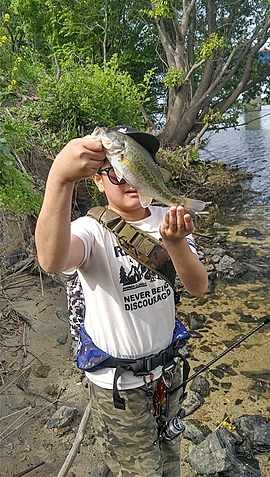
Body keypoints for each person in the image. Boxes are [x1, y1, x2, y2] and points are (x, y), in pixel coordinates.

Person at [35, 126, 208, 477]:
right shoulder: (89, 229)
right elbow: (51, 260)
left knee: (170, 460)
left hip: (169, 374)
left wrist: (175, 244)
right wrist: (60, 178)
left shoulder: (167, 219)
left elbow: (198, 287)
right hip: (119, 390)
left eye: (134, 168)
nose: (127, 179)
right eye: (113, 172)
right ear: (98, 180)